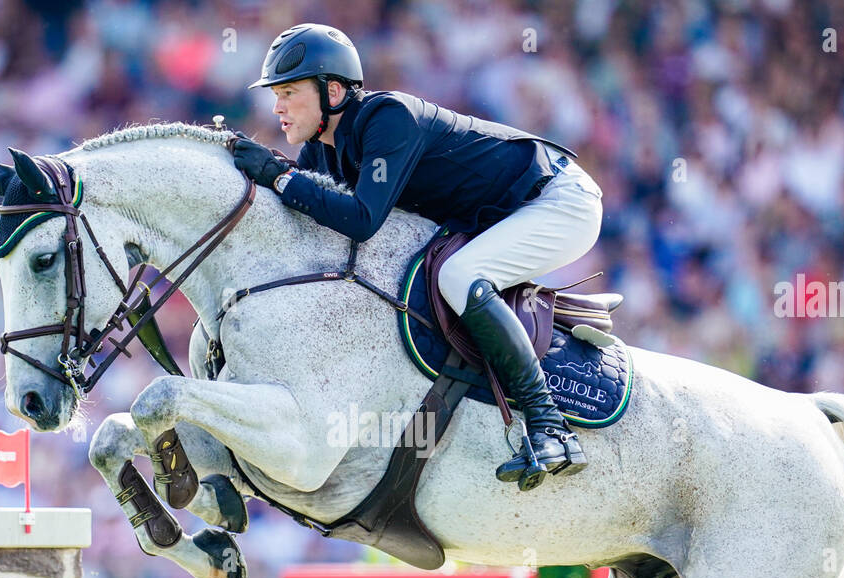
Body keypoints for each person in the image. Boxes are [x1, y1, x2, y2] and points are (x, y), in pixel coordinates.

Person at [234, 23, 603, 491]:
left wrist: (279, 178)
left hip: (557, 200)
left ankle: (549, 425)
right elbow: (307, 209)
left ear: (331, 90)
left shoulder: (387, 118)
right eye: (275, 94)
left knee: (459, 275)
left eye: (288, 91)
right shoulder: (323, 152)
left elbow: (362, 219)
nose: (277, 106)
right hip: (506, 214)